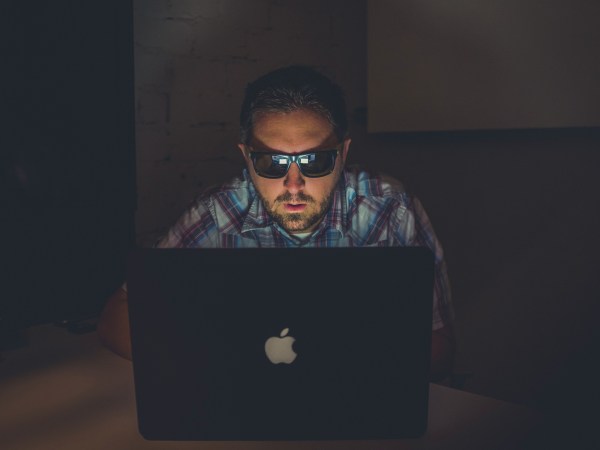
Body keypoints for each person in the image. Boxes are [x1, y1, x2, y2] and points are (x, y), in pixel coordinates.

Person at [97, 65, 455, 381]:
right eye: (272, 163)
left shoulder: (391, 210)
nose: (294, 185)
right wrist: (211, 363)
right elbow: (116, 316)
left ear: (343, 154)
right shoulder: (216, 213)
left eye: (314, 160)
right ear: (247, 158)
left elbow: (439, 345)